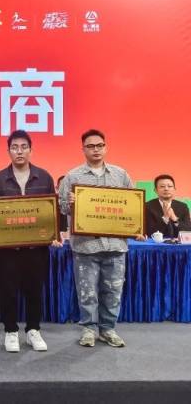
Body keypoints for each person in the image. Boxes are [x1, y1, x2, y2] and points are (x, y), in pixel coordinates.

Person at [58, 129, 144, 348]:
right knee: (87, 292)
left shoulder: (121, 175)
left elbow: (133, 205)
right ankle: (89, 329)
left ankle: (108, 329)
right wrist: (71, 203)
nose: (95, 149)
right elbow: (62, 208)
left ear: (105, 147)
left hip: (116, 245)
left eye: (99, 145)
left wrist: (135, 226)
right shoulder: (72, 176)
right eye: (90, 146)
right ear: (83, 149)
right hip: (85, 246)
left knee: (113, 291)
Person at [0, 130, 58, 353]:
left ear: (31, 150)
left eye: (24, 147)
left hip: (36, 248)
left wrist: (53, 233)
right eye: (14, 147)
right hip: (8, 250)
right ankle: (11, 331)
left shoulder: (44, 177)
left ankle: (33, 330)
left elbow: (51, 211)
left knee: (35, 291)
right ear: (8, 151)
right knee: (8, 291)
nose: (19, 151)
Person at [145, 174, 191, 239]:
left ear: (174, 189)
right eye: (162, 186)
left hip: (177, 244)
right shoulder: (148, 206)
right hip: (156, 243)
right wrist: (165, 218)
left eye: (170, 186)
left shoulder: (183, 207)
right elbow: (149, 231)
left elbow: (188, 230)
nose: (166, 189)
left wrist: (175, 219)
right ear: (156, 190)